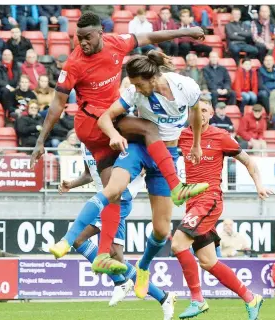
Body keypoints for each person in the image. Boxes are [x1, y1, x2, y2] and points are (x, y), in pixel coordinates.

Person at [32, 12, 207, 276]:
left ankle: (102, 255)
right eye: (78, 38)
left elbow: (150, 36)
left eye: (87, 37)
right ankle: (176, 186)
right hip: (95, 123)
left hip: (108, 125)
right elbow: (57, 104)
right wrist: (40, 140)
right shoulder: (73, 63)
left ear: (100, 33)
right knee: (149, 127)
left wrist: (185, 31)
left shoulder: (117, 43)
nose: (82, 43)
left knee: (113, 192)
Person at [94, 52, 209, 296]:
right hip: (140, 150)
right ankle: (100, 252)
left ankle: (143, 267)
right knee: (113, 189)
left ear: (151, 77)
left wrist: (196, 144)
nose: (135, 88)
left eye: (138, 83)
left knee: (161, 230)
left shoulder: (184, 86)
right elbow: (105, 117)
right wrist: (114, 135)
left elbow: (197, 113)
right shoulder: (135, 92)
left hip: (168, 157)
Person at [173, 96, 273, 320]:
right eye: (197, 111)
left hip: (209, 201)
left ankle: (197, 299)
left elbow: (249, 161)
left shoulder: (220, 136)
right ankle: (251, 298)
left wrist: (259, 185)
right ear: (190, 114)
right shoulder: (182, 136)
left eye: (206, 110)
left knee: (178, 244)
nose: (202, 114)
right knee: (208, 261)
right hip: (192, 204)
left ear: (211, 114)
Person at [55, 143, 176, 320]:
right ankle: (163, 297)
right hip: (105, 201)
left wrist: (141, 168)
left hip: (120, 199)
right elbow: (90, 174)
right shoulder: (85, 143)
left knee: (80, 239)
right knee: (115, 257)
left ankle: (121, 282)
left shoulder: (114, 140)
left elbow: (138, 162)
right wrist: (71, 184)